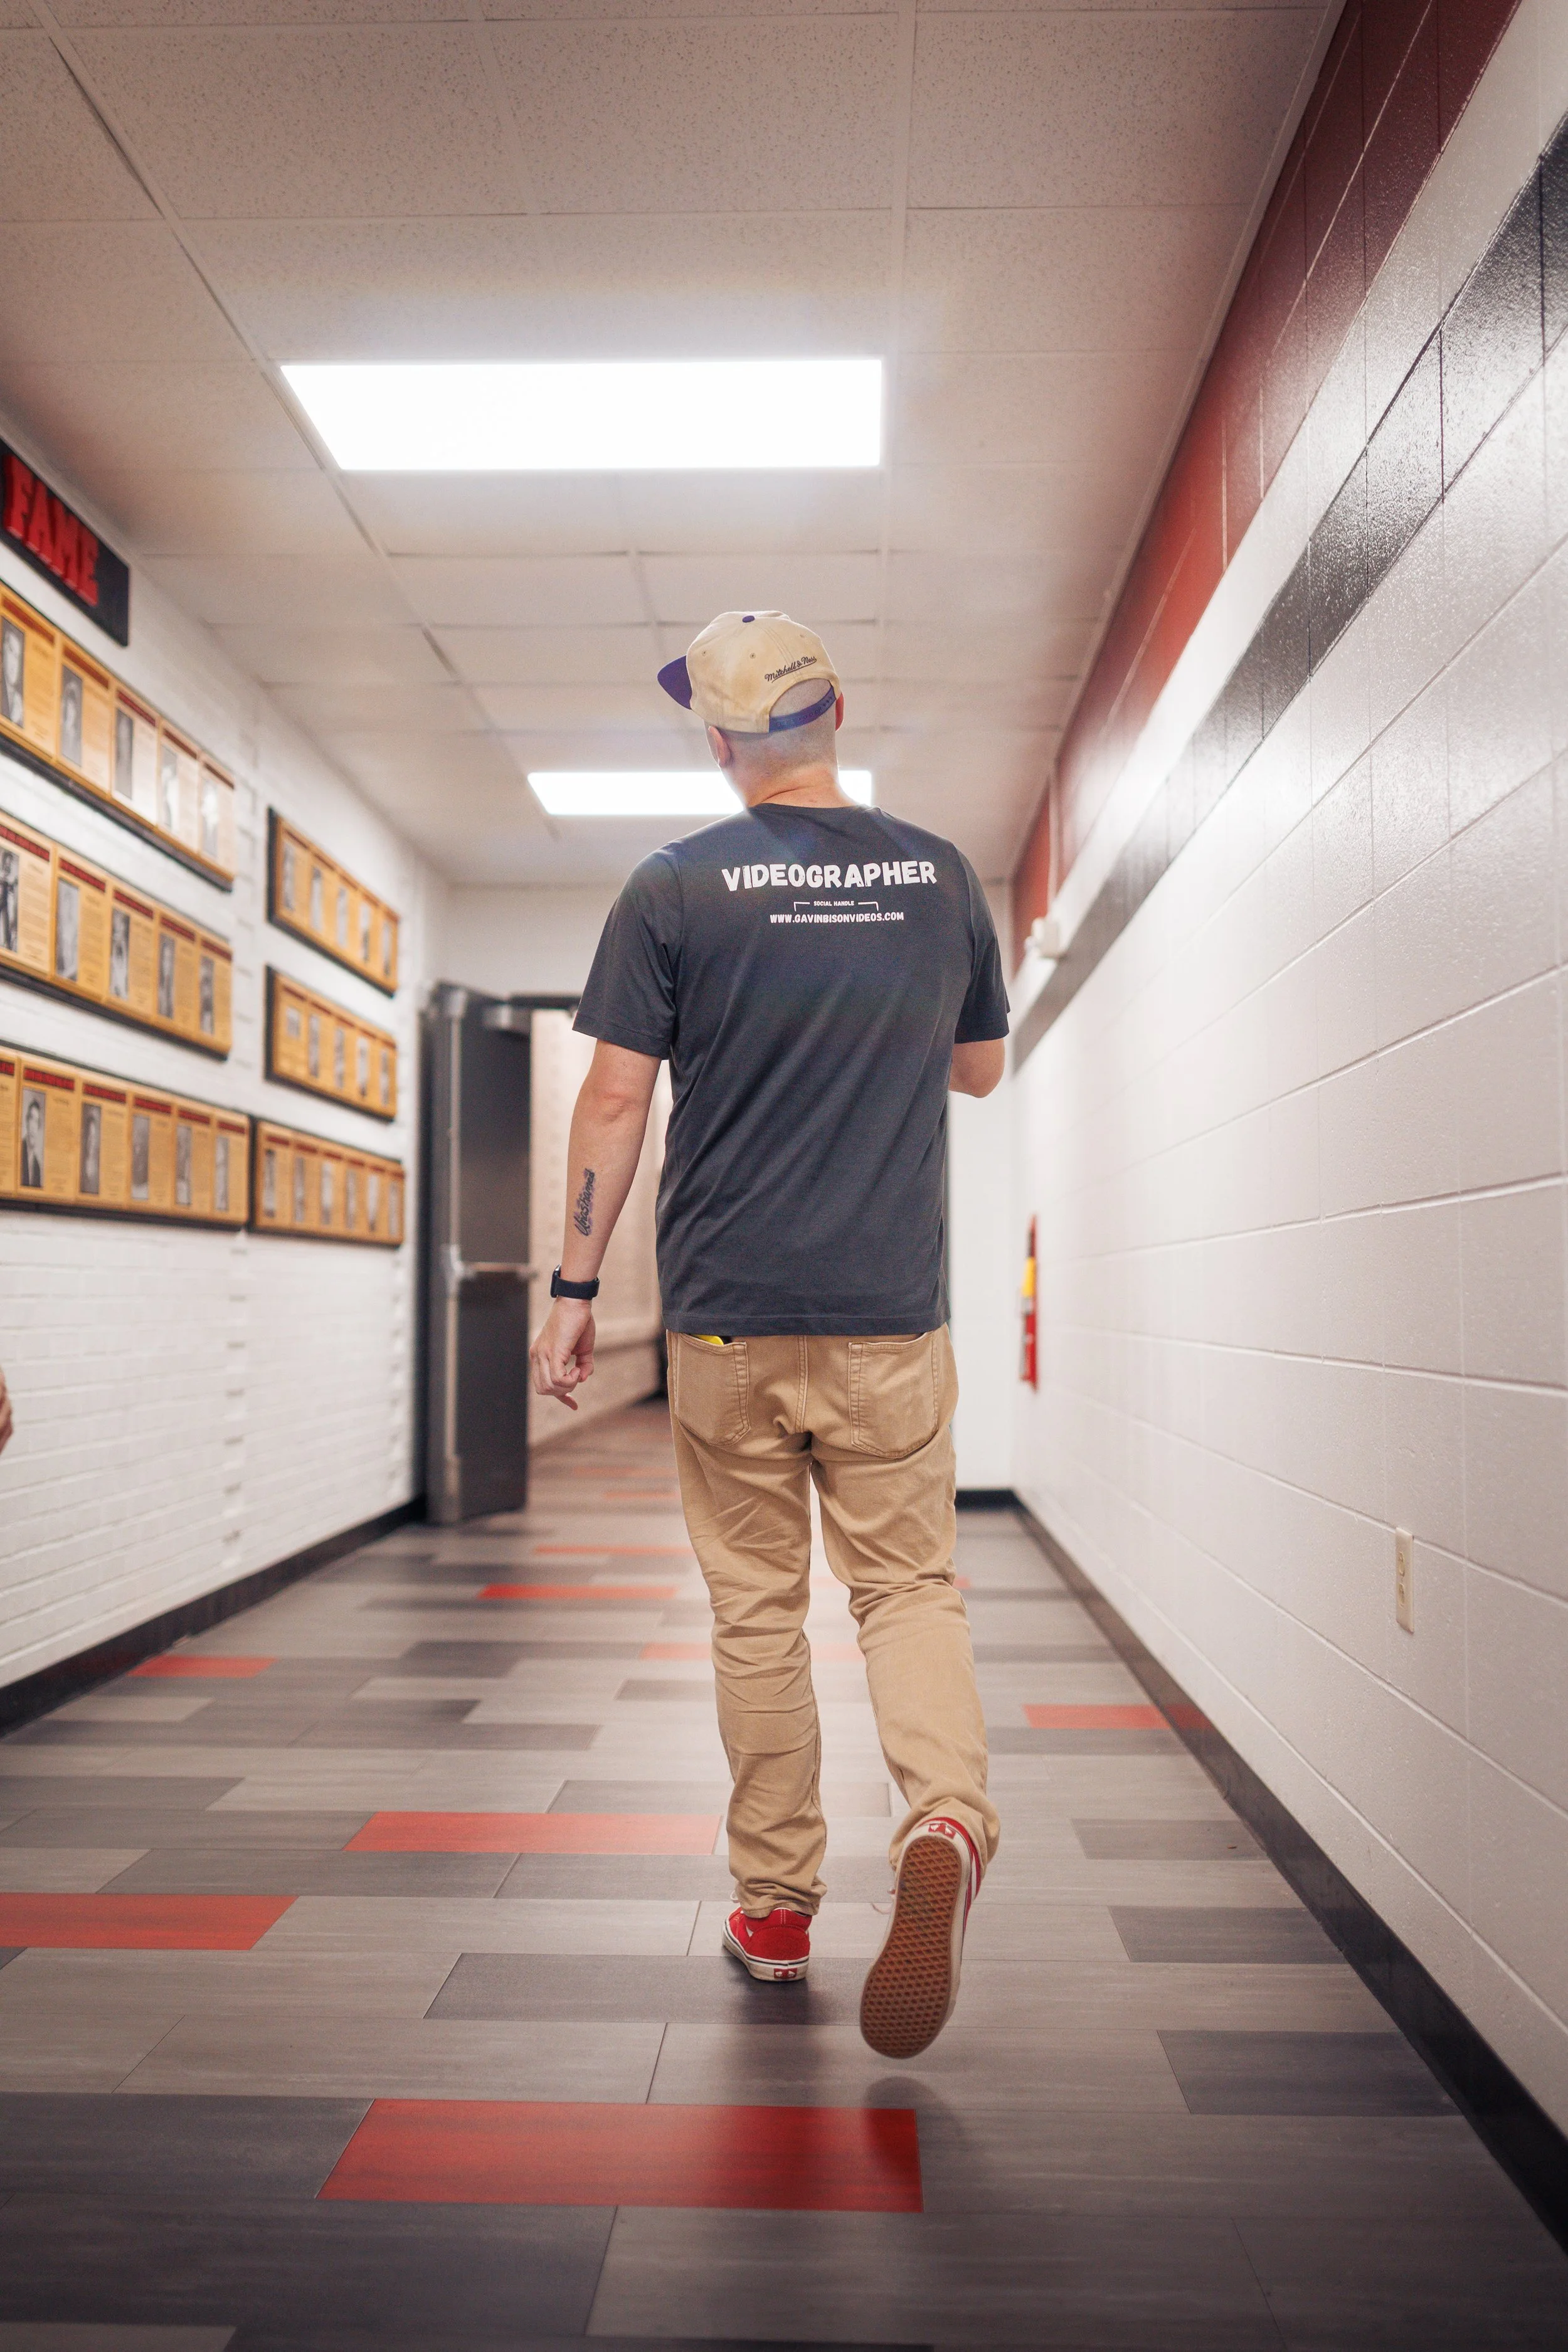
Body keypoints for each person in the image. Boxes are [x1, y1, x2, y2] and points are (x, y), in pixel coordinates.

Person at [530, 610, 1008, 2062]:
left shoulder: (673, 888)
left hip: (727, 1321)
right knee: (905, 1590)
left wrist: (570, 1291)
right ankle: (940, 1821)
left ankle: (777, 1912)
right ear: (841, 714)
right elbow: (977, 1070)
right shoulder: (936, 878)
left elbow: (613, 1102)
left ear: (721, 745)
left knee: (756, 1615)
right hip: (885, 1313)